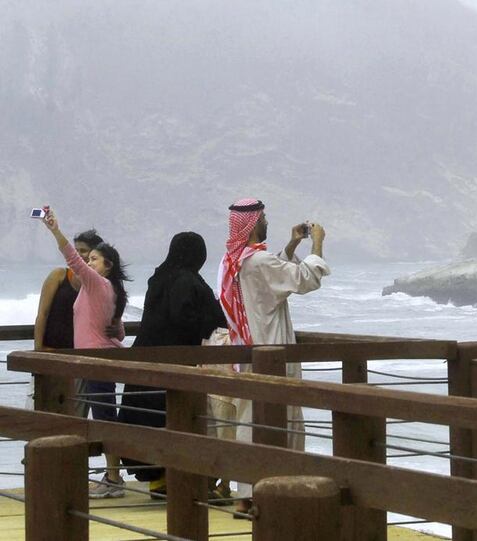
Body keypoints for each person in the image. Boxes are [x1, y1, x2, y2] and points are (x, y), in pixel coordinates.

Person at [218, 198, 329, 515]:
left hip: (246, 351)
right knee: (281, 420)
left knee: (249, 422)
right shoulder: (257, 262)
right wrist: (317, 243)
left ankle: (247, 495)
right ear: (253, 224)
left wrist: (292, 244)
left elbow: (274, 276)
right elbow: (304, 279)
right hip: (271, 349)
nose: (266, 220)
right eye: (263, 217)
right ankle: (283, 492)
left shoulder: (235, 260)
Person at [118, 232, 227, 496]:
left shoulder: (159, 279)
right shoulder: (186, 280)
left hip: (147, 360)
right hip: (174, 363)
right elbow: (186, 317)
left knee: (147, 420)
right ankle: (178, 483)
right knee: (176, 419)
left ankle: (160, 481)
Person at [40, 208, 129, 499]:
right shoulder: (109, 289)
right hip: (99, 360)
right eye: (88, 259)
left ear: (108, 265)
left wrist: (55, 230)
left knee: (104, 420)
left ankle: (114, 479)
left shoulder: (97, 283)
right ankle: (112, 475)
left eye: (93, 259)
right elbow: (119, 333)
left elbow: (72, 259)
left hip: (95, 362)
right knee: (105, 417)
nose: (88, 262)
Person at [31, 229, 105, 414]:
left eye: (84, 250)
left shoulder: (97, 284)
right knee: (47, 408)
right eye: (76, 249)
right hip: (52, 352)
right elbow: (43, 314)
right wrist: (38, 350)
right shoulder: (59, 275)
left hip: (80, 357)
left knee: (77, 411)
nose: (79, 254)